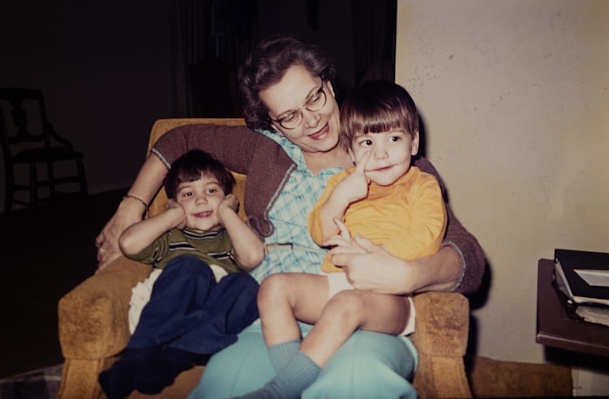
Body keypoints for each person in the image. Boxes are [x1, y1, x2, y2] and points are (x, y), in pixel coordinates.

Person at [95, 35, 486, 398]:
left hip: (363, 316)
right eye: (289, 116)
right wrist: (131, 205)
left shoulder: (389, 158)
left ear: (329, 84)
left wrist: (409, 275)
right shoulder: (264, 150)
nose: (311, 121)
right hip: (272, 316)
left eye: (314, 98)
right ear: (271, 123)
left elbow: (468, 259)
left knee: (356, 386)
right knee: (223, 385)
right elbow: (177, 139)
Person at [238, 80, 447, 398]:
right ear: (350, 150)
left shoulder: (423, 184)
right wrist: (341, 196)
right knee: (273, 287)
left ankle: (279, 391)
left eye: (394, 138)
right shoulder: (342, 181)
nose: (381, 152)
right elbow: (320, 233)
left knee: (346, 303)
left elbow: (429, 237)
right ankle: (293, 378)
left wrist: (375, 254)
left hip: (392, 298)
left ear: (414, 142)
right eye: (366, 143)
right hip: (336, 283)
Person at [98, 150, 264, 398]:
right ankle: (135, 359)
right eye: (188, 194)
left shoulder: (233, 238)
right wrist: (173, 215)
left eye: (211, 191)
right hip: (166, 315)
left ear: (228, 198)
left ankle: (175, 359)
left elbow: (252, 257)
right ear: (174, 202)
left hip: (209, 324)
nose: (200, 201)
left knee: (247, 285)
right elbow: (129, 243)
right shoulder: (171, 238)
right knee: (191, 268)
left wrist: (228, 214)